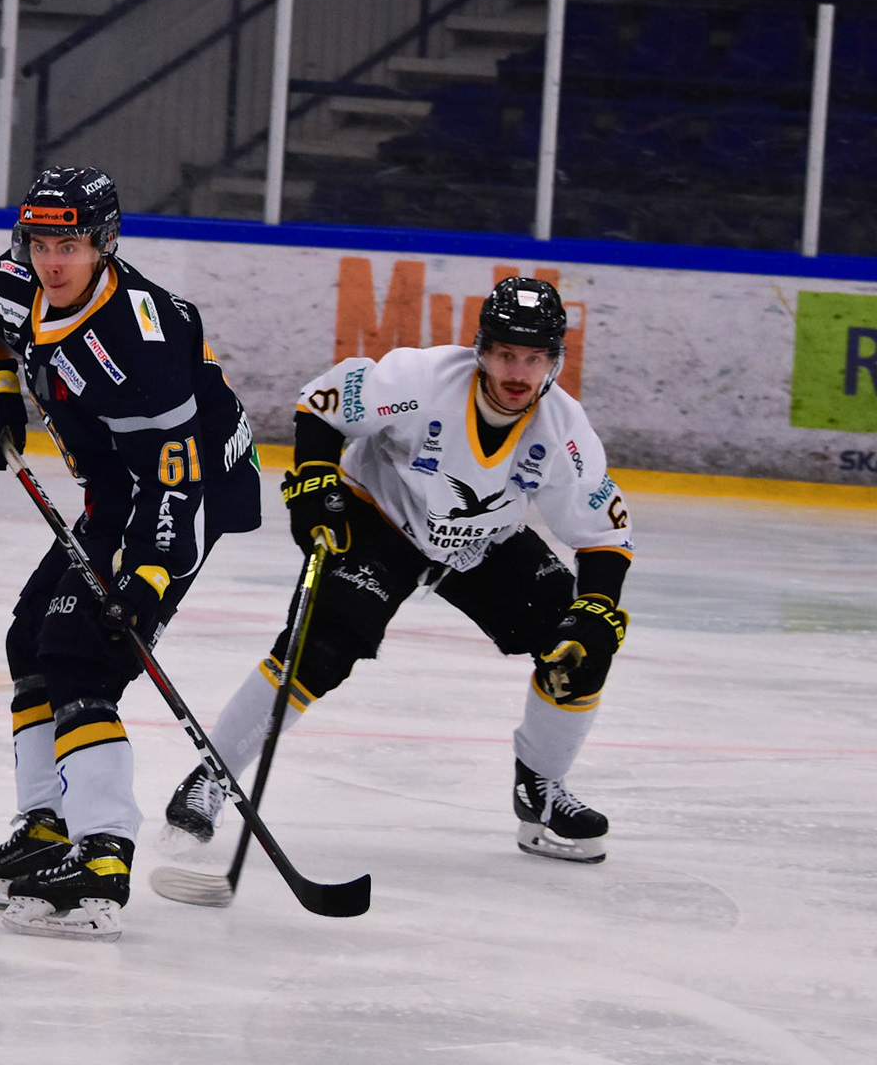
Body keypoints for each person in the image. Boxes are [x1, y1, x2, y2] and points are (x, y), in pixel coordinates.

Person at [164, 276, 633, 865]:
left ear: (554, 362)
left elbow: (604, 534)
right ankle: (212, 777)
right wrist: (315, 482)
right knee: (319, 648)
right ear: (482, 351)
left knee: (580, 646)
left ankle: (540, 790)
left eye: (533, 359)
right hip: (379, 518)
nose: (518, 373)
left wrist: (597, 606)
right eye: (506, 354)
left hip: (481, 541)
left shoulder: (565, 432)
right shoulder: (423, 380)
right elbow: (323, 403)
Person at [0, 166, 262, 940]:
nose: (53, 261)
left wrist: (147, 577)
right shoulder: (18, 281)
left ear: (105, 243)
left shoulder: (138, 341)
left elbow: (175, 477)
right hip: (117, 492)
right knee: (32, 642)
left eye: (72, 246)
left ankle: (102, 856)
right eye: (41, 243)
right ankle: (44, 828)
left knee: (85, 655)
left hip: (187, 495)